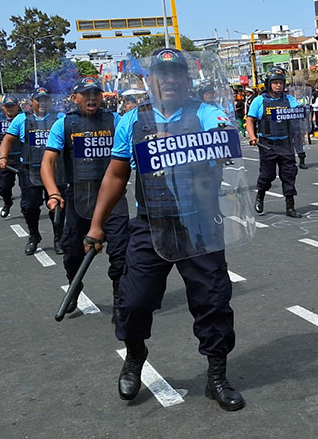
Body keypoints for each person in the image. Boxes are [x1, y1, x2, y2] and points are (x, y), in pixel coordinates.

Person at [83, 48, 245, 409]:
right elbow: (116, 173)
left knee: (214, 303)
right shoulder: (132, 122)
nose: (170, 79)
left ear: (188, 81)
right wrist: (96, 226)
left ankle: (216, 376)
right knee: (134, 301)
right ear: (150, 80)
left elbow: (225, 138)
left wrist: (222, 135)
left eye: (177, 73)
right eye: (162, 73)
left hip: (200, 225)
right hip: (150, 223)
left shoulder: (205, 113)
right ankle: (134, 357)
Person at [41, 77, 130, 320]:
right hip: (77, 199)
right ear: (74, 98)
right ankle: (75, 286)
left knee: (122, 255)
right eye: (85, 93)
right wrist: (53, 193)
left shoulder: (116, 120)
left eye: (96, 93)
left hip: (114, 199)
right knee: (71, 254)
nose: (92, 98)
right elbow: (48, 161)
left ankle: (120, 302)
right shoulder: (64, 125)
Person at [0, 88, 66, 255]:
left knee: (58, 206)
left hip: (56, 170)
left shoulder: (60, 118)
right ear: (32, 102)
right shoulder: (22, 119)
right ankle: (34, 236)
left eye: (45, 100)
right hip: (30, 171)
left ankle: (59, 238)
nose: (42, 103)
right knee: (29, 207)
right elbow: (7, 140)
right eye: (38, 100)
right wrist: (3, 157)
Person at [245, 66, 303, 218]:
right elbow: (250, 120)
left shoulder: (289, 100)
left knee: (289, 174)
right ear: (268, 84)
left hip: (286, 143)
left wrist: (304, 110)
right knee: (267, 175)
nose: (278, 85)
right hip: (267, 145)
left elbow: (299, 114)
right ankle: (260, 196)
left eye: (281, 82)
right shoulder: (259, 101)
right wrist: (252, 137)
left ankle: (290, 207)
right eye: (275, 82)